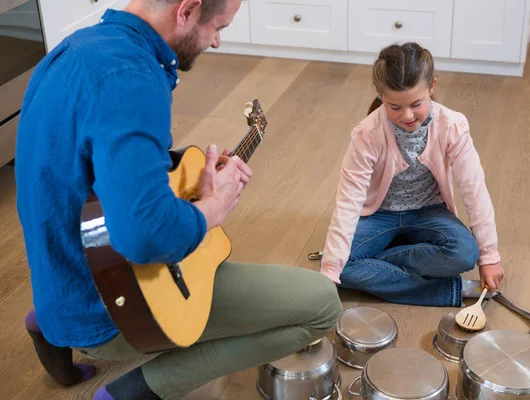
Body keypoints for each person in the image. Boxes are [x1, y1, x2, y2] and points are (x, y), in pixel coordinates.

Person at [15, 0, 342, 399]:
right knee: (323, 305)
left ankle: (45, 326)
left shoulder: (80, 47)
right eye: (217, 27)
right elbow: (144, 238)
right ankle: (134, 392)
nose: (218, 42)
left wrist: (178, 172)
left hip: (61, 282)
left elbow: (85, 166)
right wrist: (211, 209)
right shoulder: (132, 80)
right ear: (187, 10)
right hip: (108, 310)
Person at [318, 42, 504, 307]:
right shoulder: (366, 134)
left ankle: (375, 263)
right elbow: (348, 202)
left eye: (416, 104)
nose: (407, 115)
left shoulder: (452, 126)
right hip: (378, 214)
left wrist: (489, 256)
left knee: (465, 254)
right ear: (379, 95)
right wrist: (331, 271)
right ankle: (448, 290)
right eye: (394, 107)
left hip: (429, 211)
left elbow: (474, 191)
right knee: (337, 268)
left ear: (432, 86)